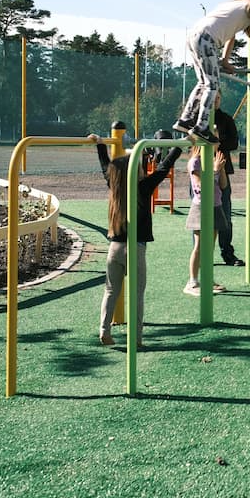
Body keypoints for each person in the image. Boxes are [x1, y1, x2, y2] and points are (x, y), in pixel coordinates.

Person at [91, 134, 182, 348]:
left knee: (111, 290)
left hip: (114, 248)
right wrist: (179, 146)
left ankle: (104, 329)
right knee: (137, 294)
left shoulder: (114, 186)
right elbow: (164, 167)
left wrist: (100, 145)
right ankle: (136, 338)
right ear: (136, 171)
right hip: (136, 248)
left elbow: (105, 166)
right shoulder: (143, 187)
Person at [174, 0, 250, 143]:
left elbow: (231, 36)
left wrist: (225, 60)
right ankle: (201, 126)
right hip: (207, 39)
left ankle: (185, 119)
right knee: (212, 85)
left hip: (194, 35)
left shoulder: (233, 5)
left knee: (203, 82)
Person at [184, 144, 229, 296]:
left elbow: (223, 185)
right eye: (213, 138)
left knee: (209, 247)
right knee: (199, 246)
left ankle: (207, 279)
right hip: (201, 207)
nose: (216, 143)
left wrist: (221, 168)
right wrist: (215, 170)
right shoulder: (195, 162)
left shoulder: (213, 159)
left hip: (216, 205)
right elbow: (199, 187)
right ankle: (192, 282)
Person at [211, 90, 245, 267]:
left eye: (218, 98)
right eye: (213, 98)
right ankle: (202, 255)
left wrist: (217, 143)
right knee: (199, 216)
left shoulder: (225, 119)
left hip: (222, 168)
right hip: (200, 170)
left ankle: (227, 253)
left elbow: (234, 142)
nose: (216, 101)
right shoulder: (198, 118)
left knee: (225, 214)